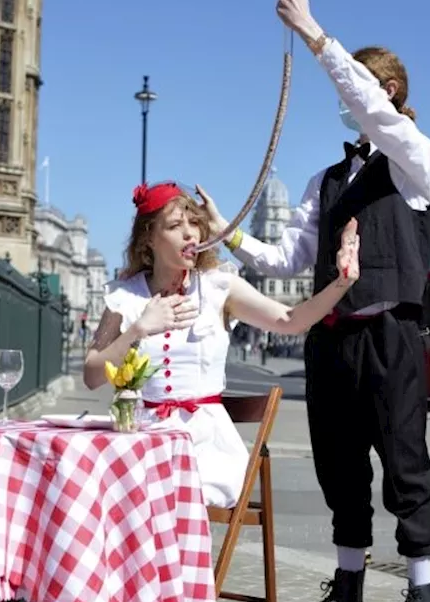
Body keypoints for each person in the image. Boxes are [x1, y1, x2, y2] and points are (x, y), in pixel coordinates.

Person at [197, 0, 430, 602]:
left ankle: (422, 596)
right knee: (341, 470)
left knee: (405, 465)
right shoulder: (325, 179)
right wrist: (231, 235)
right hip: (333, 339)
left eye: (363, 91)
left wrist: (311, 30)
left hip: (391, 335)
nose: (349, 105)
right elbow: (289, 256)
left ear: (387, 90)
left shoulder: (414, 158)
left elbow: (366, 104)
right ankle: (349, 593)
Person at [83, 180, 360, 510]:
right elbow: (92, 374)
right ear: (149, 239)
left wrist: (342, 283)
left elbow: (291, 320)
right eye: (175, 226)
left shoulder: (218, 286)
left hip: (205, 445)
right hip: (140, 438)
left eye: (195, 224)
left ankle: (170, 561)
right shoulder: (125, 295)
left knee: (158, 494)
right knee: (93, 487)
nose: (190, 234)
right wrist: (139, 329)